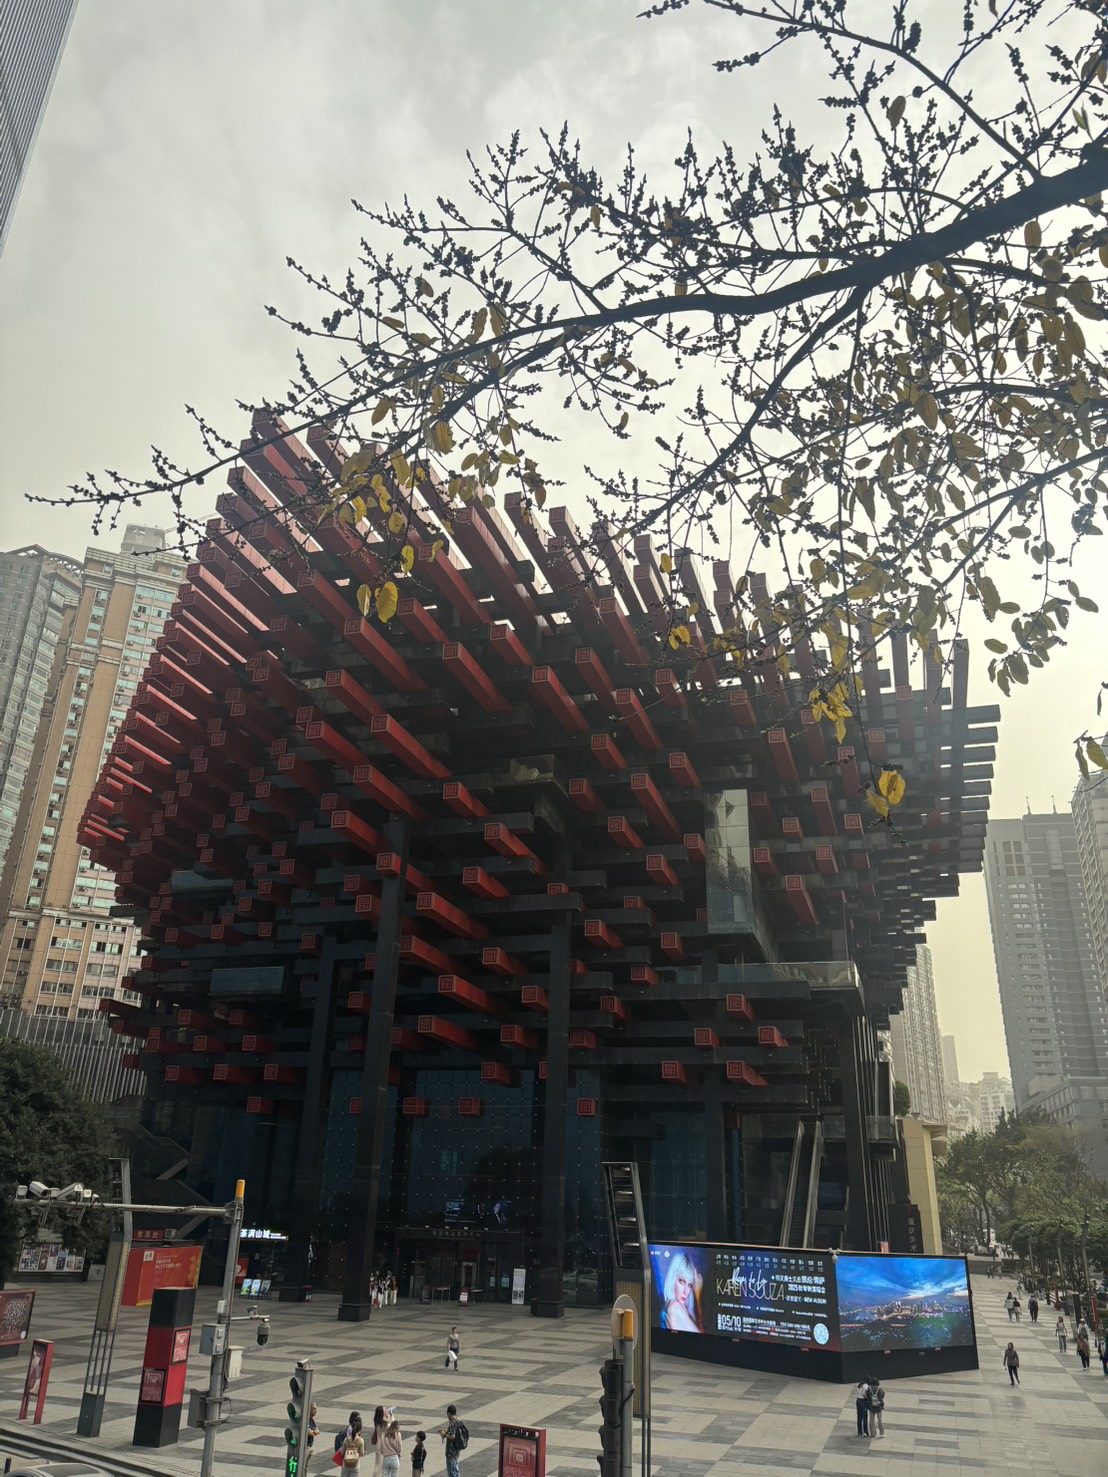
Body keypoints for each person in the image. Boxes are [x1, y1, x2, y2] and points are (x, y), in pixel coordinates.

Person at [661, 1252, 703, 1333]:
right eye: (682, 1281)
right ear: (672, 1278)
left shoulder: (676, 1306)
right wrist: (698, 1294)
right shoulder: (676, 1308)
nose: (686, 1292)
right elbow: (703, 1339)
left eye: (690, 1285)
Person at [440, 1404, 467, 1477]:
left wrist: (444, 1435)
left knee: (452, 1471)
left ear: (448, 1413)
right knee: (455, 1469)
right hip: (457, 1449)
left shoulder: (452, 1422)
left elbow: (452, 1436)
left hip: (451, 1451)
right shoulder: (458, 1420)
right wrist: (447, 1431)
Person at [371, 1407, 390, 1477]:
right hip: (384, 1446)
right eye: (385, 1410)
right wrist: (390, 1418)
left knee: (378, 1463)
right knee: (379, 1464)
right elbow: (391, 1429)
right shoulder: (385, 1425)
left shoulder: (377, 1422)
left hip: (378, 1445)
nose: (386, 1411)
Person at [305, 1403, 319, 1467]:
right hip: (305, 1447)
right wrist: (313, 1432)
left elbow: (317, 1431)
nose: (316, 1411)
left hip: (310, 1446)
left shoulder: (311, 1420)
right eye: (314, 1409)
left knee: (306, 1466)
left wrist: (312, 1432)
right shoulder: (306, 1420)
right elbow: (309, 1433)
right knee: (302, 1465)